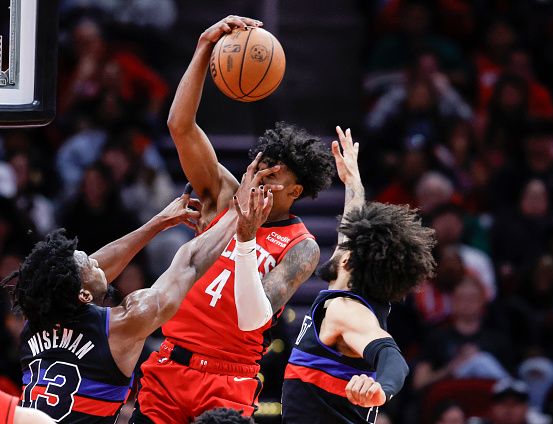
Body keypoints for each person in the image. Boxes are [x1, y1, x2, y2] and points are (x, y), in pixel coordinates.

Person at [132, 15, 335, 422]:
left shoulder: (302, 247)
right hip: (171, 367)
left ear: (296, 191)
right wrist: (204, 46)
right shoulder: (224, 192)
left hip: (230, 379)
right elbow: (180, 125)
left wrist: (245, 237)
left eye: (279, 173)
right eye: (267, 162)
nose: (267, 172)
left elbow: (254, 318)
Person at [3, 173, 271, 423]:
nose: (96, 260)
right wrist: (239, 210)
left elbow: (77, 276)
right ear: (83, 294)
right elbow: (189, 263)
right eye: (89, 263)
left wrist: (159, 222)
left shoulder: (35, 320)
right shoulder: (123, 324)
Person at [281, 128, 436, 423]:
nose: (340, 245)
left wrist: (381, 389)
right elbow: (351, 226)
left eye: (346, 247)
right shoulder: (344, 285)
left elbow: (392, 357)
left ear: (350, 262)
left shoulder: (346, 311)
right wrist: (354, 184)